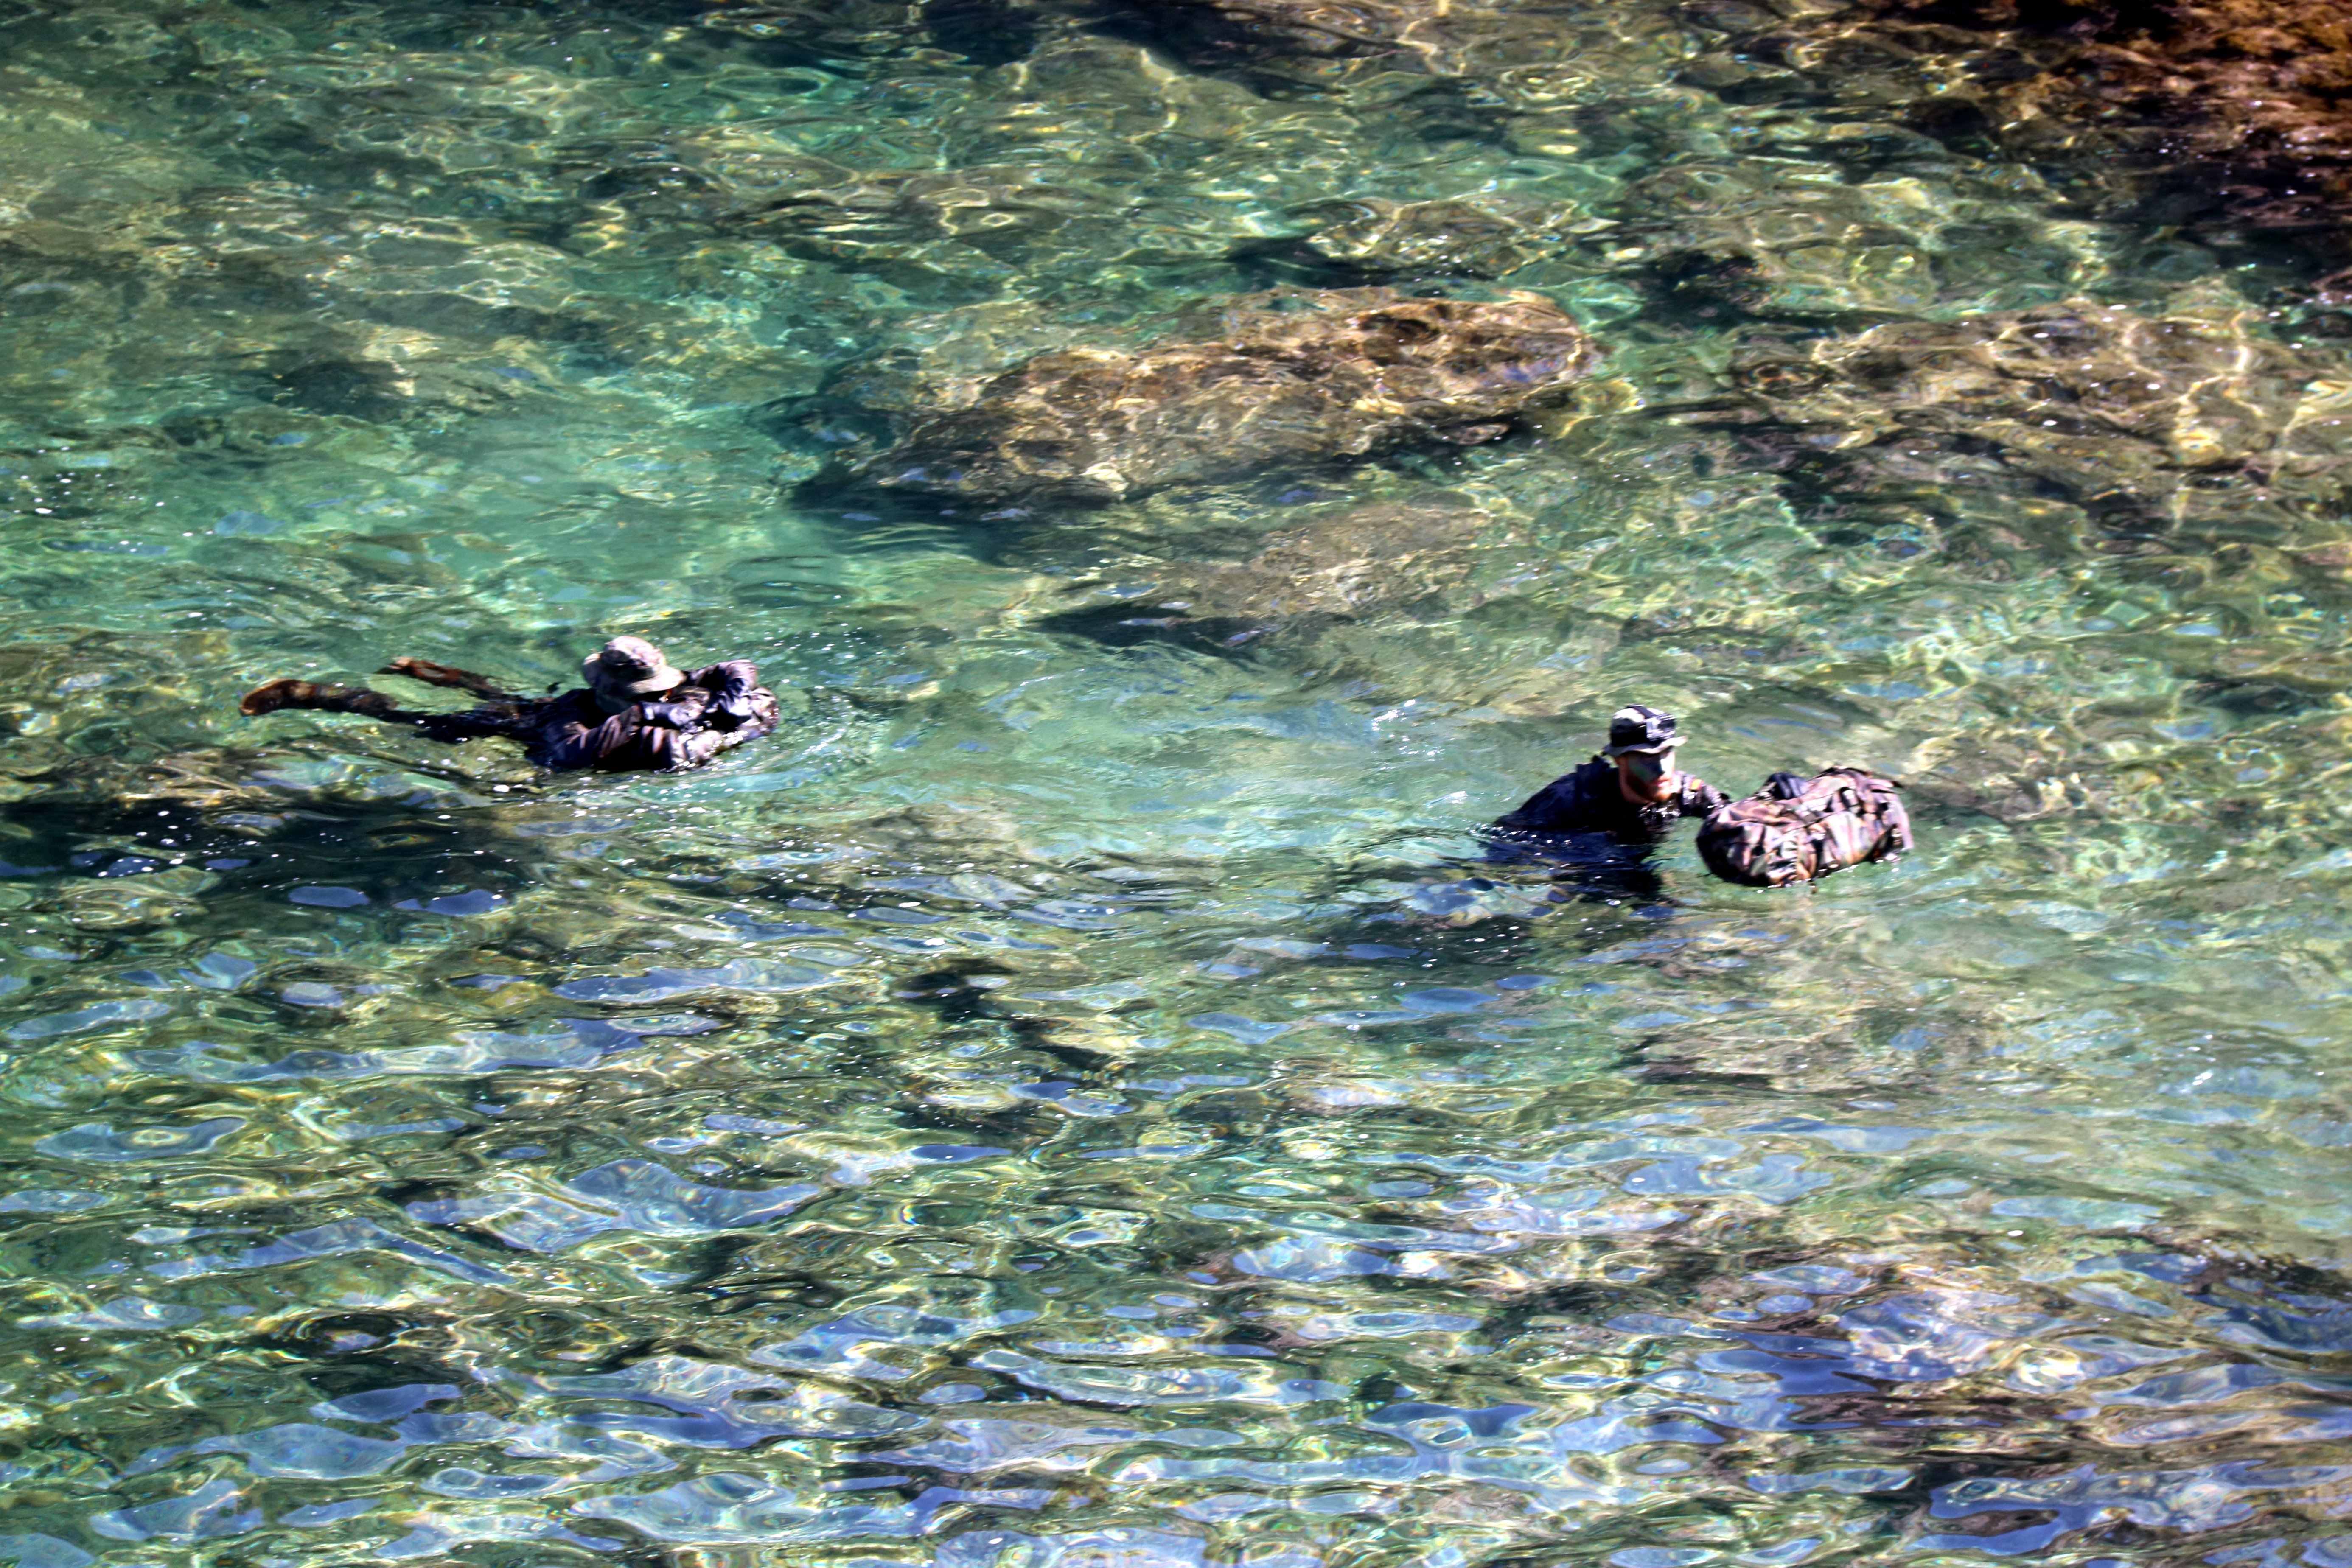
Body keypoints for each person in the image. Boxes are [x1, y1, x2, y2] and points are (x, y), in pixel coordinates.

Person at [240, 636, 780, 773]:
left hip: (562, 715)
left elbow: (739, 669)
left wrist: (725, 709)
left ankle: (422, 669)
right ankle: (311, 695)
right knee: (425, 719)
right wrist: (646, 715)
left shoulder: (691, 692)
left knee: (499, 696)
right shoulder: (580, 717)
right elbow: (565, 757)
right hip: (547, 726)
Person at [1486, 706, 1729, 883]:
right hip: (1580, 855)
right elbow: (1502, 842)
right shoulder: (1571, 797)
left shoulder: (1689, 792)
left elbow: (1738, 818)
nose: (1662, 769)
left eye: (1667, 753)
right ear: (1618, 760)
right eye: (1646, 757)